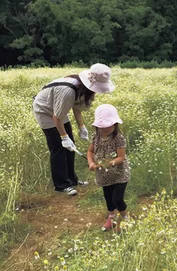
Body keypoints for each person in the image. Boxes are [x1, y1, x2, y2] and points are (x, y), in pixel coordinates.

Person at [33, 63, 115, 196]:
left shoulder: (80, 88)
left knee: (71, 147)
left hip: (57, 111)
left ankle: (72, 180)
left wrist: (81, 127)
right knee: (58, 148)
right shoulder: (68, 90)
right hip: (44, 111)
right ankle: (61, 185)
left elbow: (76, 107)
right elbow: (56, 117)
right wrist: (63, 138)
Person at [87, 104, 130, 233]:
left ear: (115, 124)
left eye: (108, 126)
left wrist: (110, 163)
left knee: (117, 198)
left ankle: (125, 217)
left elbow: (121, 157)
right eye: (101, 127)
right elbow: (90, 151)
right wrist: (91, 163)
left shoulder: (119, 138)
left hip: (119, 174)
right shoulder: (96, 137)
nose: (104, 129)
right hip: (103, 174)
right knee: (108, 197)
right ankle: (112, 216)